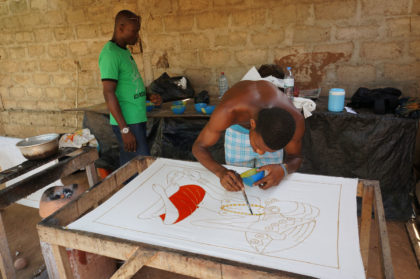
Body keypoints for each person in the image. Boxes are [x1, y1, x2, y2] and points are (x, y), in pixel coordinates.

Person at [192, 80, 305, 191]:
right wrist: (220, 172)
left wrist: (283, 169)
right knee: (235, 182)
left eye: (268, 150)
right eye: (258, 146)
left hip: (263, 130)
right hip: (237, 130)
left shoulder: (295, 120)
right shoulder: (228, 112)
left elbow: (295, 157)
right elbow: (199, 146)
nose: (260, 153)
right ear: (252, 124)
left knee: (270, 181)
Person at [99, 10, 161, 166]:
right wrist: (124, 130)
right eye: (134, 31)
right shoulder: (110, 54)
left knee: (137, 165)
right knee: (138, 168)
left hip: (136, 118)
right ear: (120, 28)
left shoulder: (123, 51)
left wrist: (148, 95)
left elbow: (129, 83)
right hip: (128, 122)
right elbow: (108, 92)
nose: (137, 35)